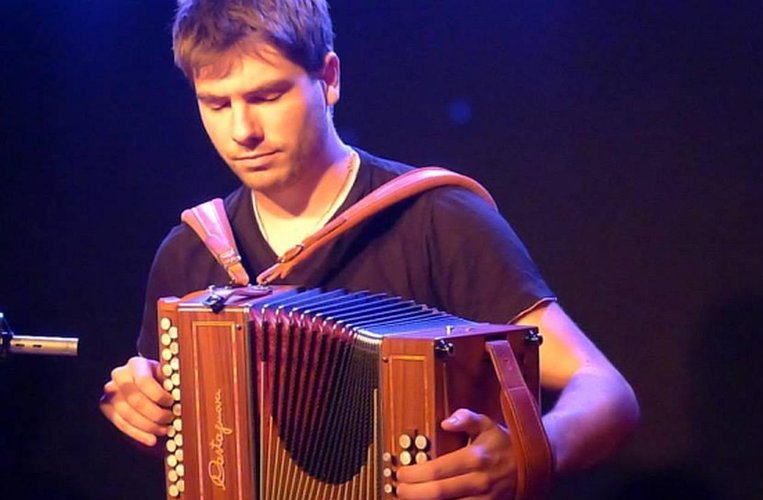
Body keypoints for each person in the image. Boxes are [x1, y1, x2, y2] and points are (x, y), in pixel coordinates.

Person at [99, 1, 639, 498]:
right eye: (216, 104)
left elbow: (606, 393)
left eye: (267, 96)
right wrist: (142, 411)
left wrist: (528, 452)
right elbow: (186, 445)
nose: (243, 131)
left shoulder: (436, 218)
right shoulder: (191, 252)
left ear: (328, 79)